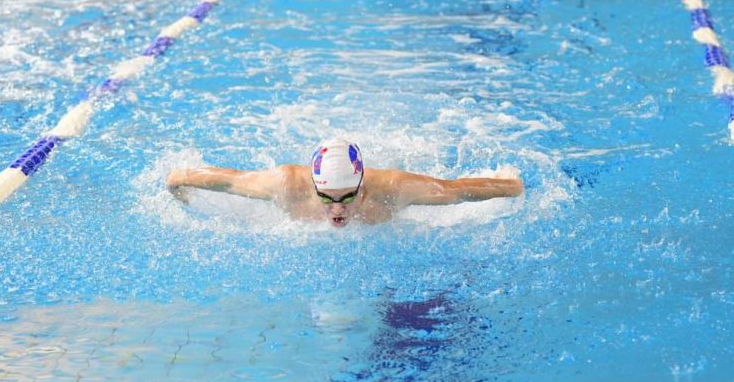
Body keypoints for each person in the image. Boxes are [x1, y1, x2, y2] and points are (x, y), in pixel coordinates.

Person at [165, 138, 523, 228]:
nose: (337, 209)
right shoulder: (286, 184)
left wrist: (512, 187)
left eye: (348, 197)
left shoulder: (393, 188)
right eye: (326, 197)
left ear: (362, 185)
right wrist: (179, 186)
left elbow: (455, 191)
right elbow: (229, 182)